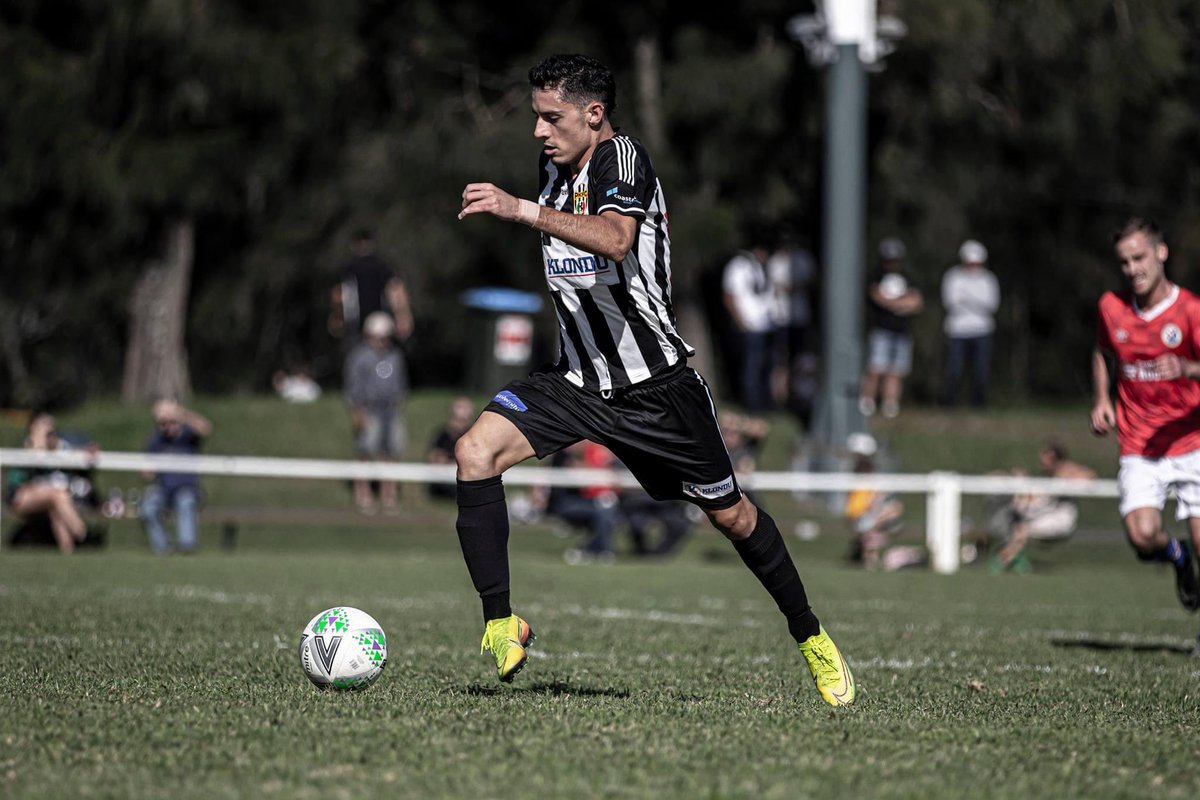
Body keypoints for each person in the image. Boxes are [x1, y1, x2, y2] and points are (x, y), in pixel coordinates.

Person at [455, 53, 854, 705]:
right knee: (474, 452)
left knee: (733, 517)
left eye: (551, 118)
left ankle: (810, 636)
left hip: (657, 390)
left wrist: (520, 210)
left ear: (594, 114)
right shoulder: (551, 167)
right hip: (578, 381)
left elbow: (614, 240)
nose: (539, 132)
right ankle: (503, 625)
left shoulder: (625, 160)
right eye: (535, 118)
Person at [1091, 216, 1200, 611]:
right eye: (1124, 262)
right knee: (1141, 537)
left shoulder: (1190, 311)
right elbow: (1103, 351)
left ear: (1161, 252)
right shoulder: (1112, 307)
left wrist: (1188, 368)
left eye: (1139, 258)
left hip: (1191, 442)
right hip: (1139, 443)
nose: (1132, 269)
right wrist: (1102, 399)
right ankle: (1178, 556)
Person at [988, 442, 1096, 574]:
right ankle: (1016, 561)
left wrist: (1068, 472)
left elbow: (1090, 477)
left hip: (1060, 523)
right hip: (1044, 518)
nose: (1042, 462)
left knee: (1021, 529)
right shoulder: (1048, 479)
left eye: (1046, 457)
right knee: (1018, 526)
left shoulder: (1066, 473)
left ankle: (1001, 561)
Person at [344, 311, 408, 514]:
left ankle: (388, 496)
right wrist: (357, 413)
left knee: (390, 453)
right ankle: (363, 494)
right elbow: (353, 387)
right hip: (369, 409)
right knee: (365, 452)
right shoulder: (359, 356)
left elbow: (400, 382)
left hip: (391, 410)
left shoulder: (395, 355)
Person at [4, 412, 91, 553]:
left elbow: (74, 454)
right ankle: (83, 535)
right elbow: (24, 478)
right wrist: (40, 446)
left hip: (49, 494)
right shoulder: (28, 446)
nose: (49, 430)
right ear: (33, 428)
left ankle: (68, 551)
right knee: (58, 496)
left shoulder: (57, 446)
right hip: (21, 496)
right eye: (45, 426)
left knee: (58, 505)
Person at [859, 237, 923, 418]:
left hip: (902, 331)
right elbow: (876, 296)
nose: (892, 263)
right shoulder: (876, 275)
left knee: (896, 371)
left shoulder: (908, 277)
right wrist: (901, 304)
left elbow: (917, 302)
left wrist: (891, 303)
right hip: (881, 329)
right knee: (875, 367)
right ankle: (867, 401)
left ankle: (890, 404)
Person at [141, 399, 211, 554]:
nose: (167, 426)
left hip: (188, 489)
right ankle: (163, 548)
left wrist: (181, 413)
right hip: (164, 490)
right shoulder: (155, 441)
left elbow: (205, 428)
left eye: (171, 421)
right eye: (162, 423)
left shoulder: (188, 435)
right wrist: (150, 470)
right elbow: (146, 474)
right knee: (148, 507)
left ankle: (188, 546)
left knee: (185, 501)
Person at [328, 229, 414, 350]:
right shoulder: (380, 265)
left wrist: (336, 315)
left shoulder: (351, 268)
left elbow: (338, 294)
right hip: (369, 322)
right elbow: (396, 289)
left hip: (368, 323)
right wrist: (402, 315)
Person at [941, 239, 999, 407]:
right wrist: (977, 302)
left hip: (982, 330)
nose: (973, 266)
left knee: (981, 371)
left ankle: (979, 405)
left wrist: (966, 299)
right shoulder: (953, 277)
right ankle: (950, 404)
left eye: (976, 262)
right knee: (955, 370)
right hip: (957, 330)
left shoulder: (988, 279)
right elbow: (950, 302)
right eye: (970, 262)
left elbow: (991, 305)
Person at [722, 233, 777, 412]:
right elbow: (729, 296)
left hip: (764, 325)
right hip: (749, 325)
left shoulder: (760, 267)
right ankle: (751, 406)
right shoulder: (738, 266)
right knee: (751, 368)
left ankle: (763, 403)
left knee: (764, 367)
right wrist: (740, 321)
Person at [767, 230, 817, 413]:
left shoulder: (803, 259)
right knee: (780, 361)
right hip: (780, 318)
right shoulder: (775, 262)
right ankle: (780, 399)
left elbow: (809, 281)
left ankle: (800, 397)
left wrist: (793, 287)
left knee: (801, 361)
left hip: (800, 317)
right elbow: (776, 285)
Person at [427, 395, 477, 500]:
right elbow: (434, 459)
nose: (458, 424)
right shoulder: (442, 435)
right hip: (444, 481)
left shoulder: (472, 436)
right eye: (456, 419)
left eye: (463, 420)